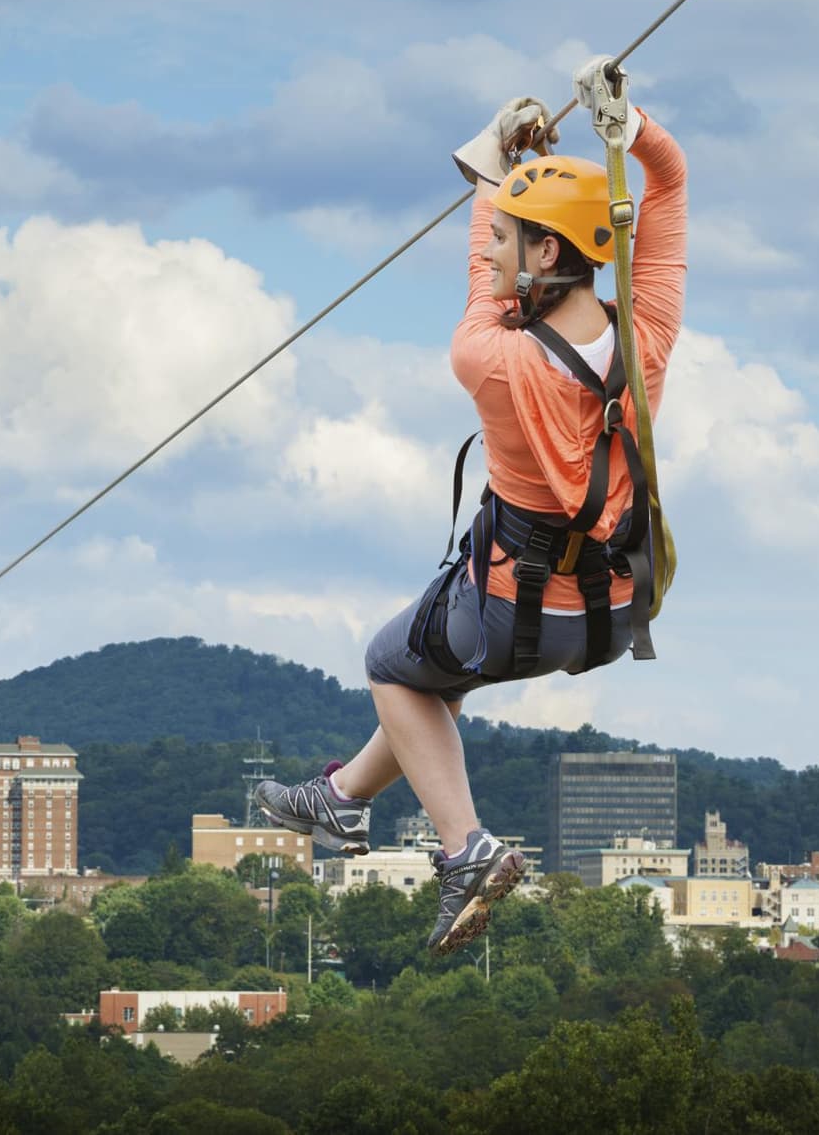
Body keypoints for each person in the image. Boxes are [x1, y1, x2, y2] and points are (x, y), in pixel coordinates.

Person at [257, 57, 687, 955]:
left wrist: (498, 167)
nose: (491, 246)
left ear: (546, 254)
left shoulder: (490, 360)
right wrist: (630, 128)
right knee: (429, 677)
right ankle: (338, 799)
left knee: (388, 663)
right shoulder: (645, 338)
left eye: (507, 236)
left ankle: (468, 847)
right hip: (610, 614)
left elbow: (484, 289)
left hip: (509, 613)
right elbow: (670, 182)